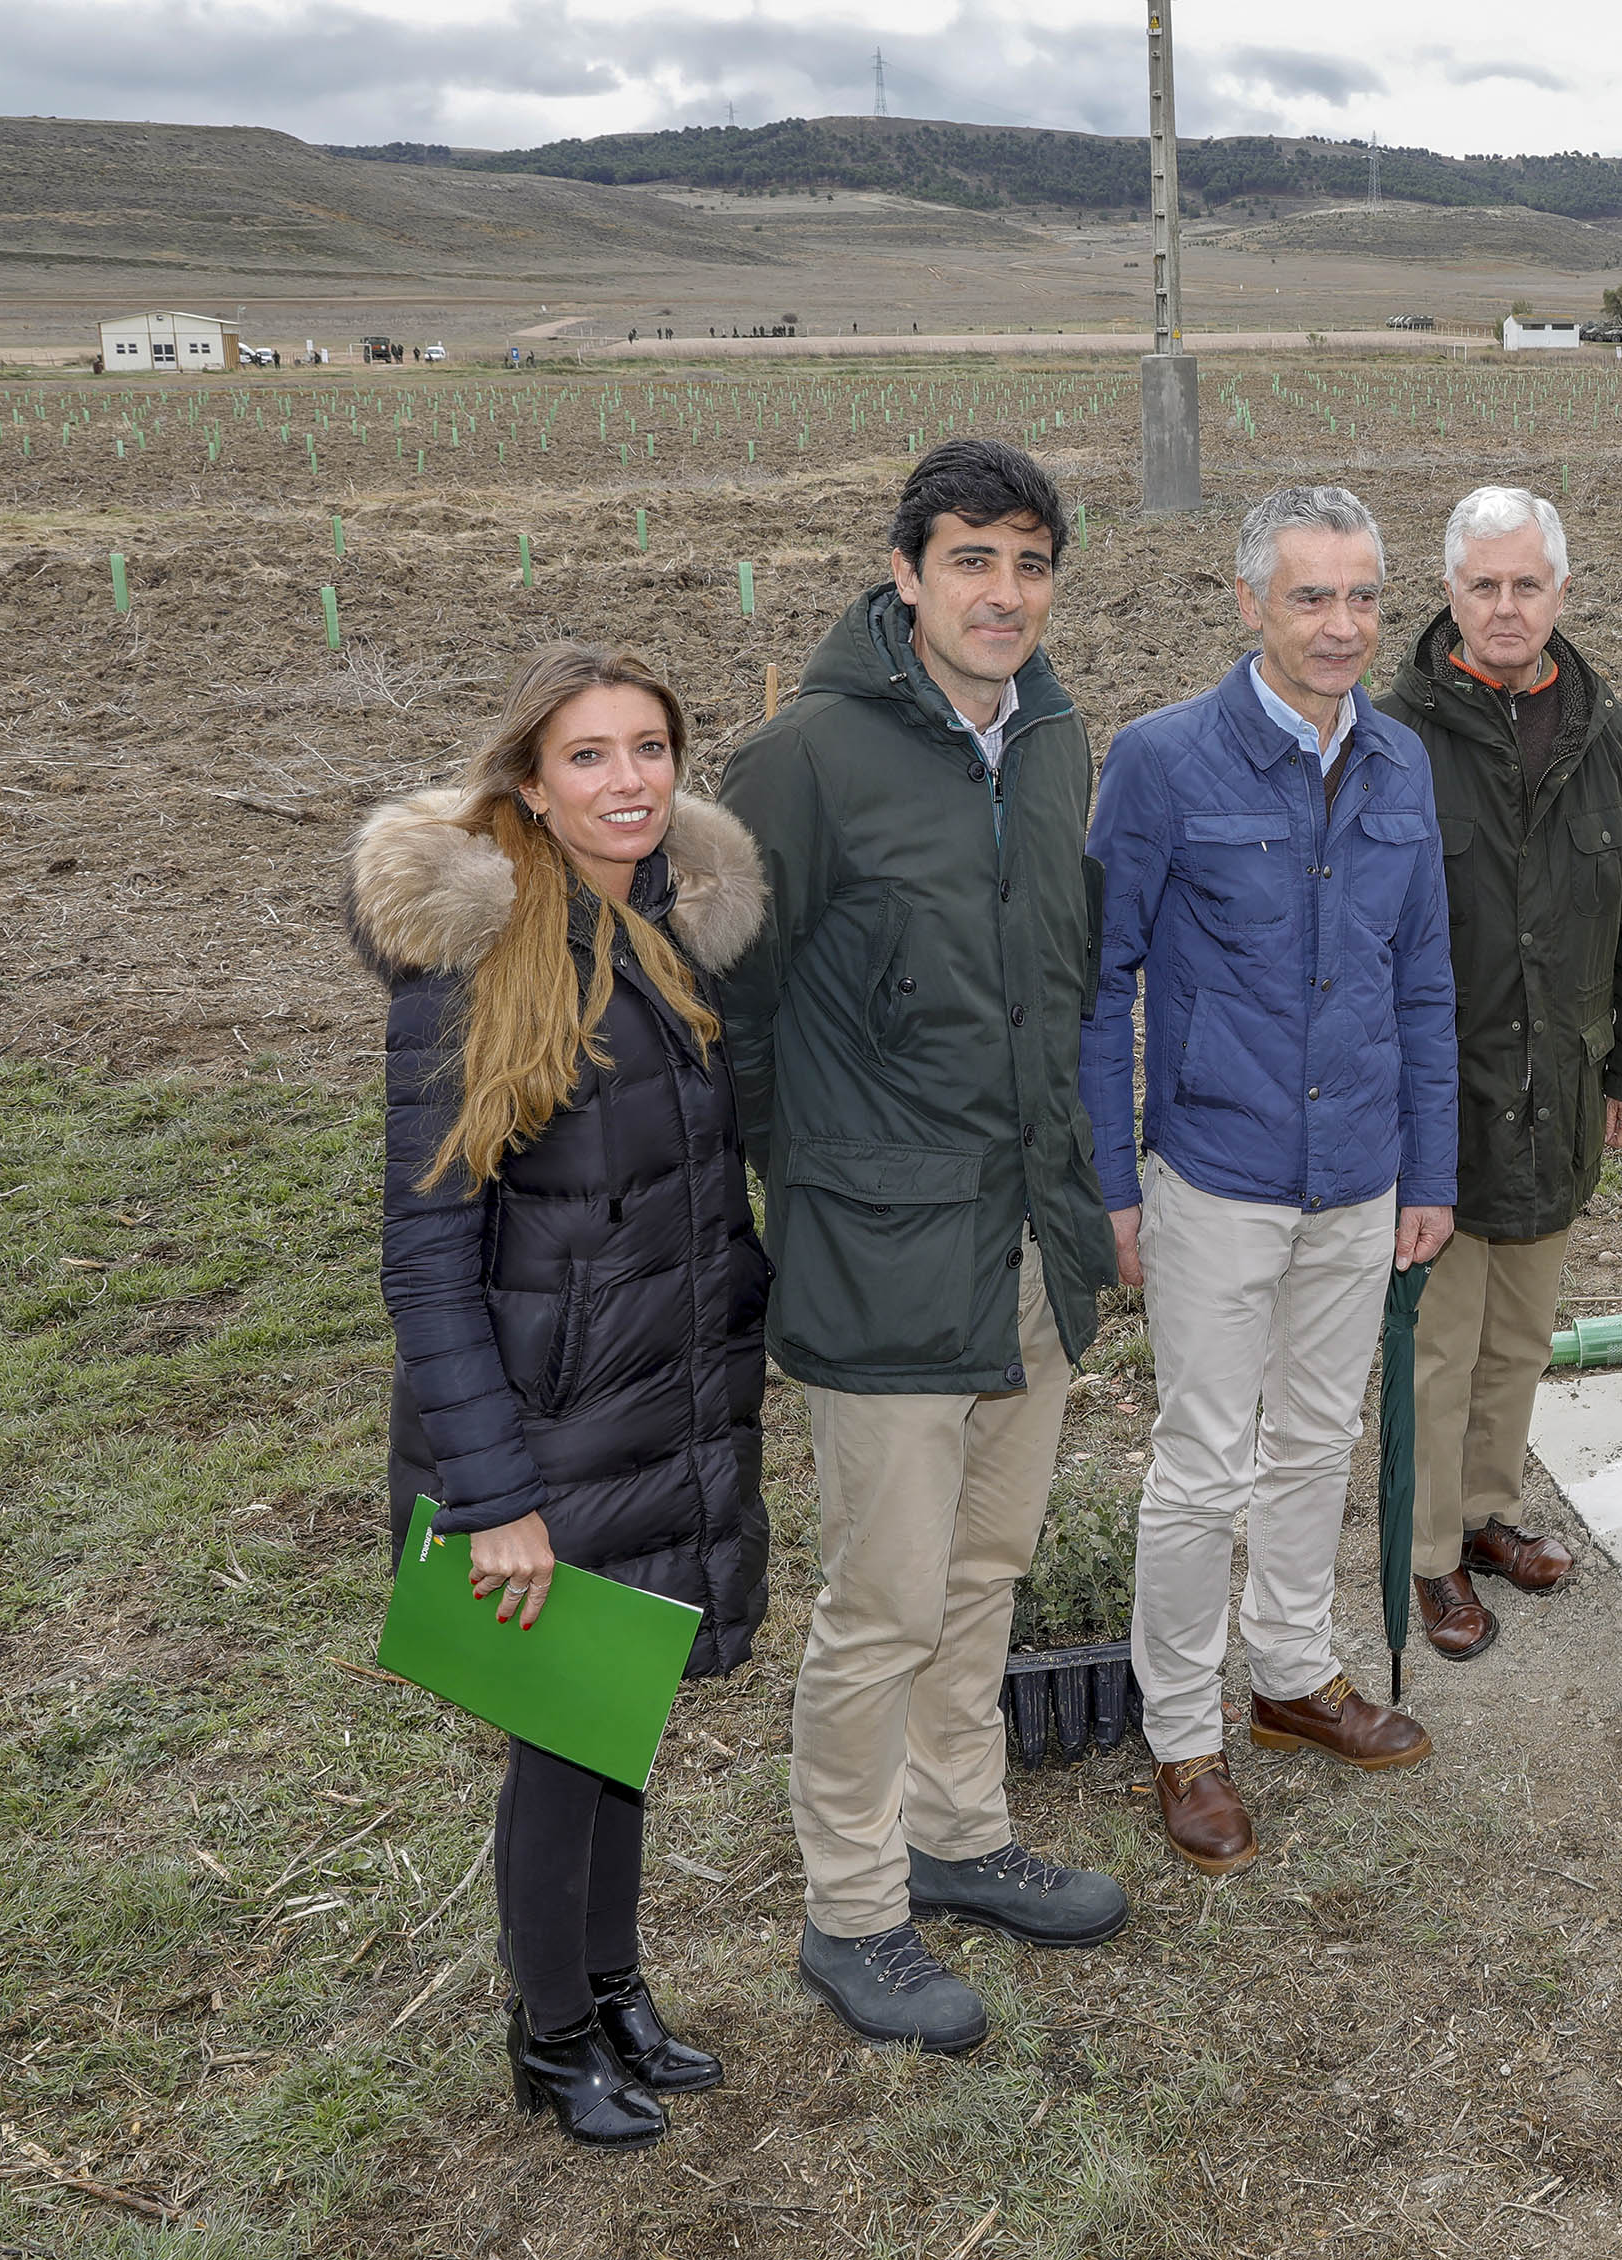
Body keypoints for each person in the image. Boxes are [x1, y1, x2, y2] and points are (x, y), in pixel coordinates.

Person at [716, 440, 1129, 2057]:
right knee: (880, 1602)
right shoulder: (806, 760)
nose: (1003, 594)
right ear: (905, 573)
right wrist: (808, 1194)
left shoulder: (1052, 745)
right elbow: (732, 1013)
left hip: (1026, 1242)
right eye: (972, 560)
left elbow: (1061, 992)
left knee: (985, 1570)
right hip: (884, 1253)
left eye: (1030, 564)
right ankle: (851, 1911)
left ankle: (961, 1835)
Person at [357, 643, 770, 2148]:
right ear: (528, 779)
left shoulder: (665, 933)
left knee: (623, 1715)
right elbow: (426, 1259)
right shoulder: (474, 965)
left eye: (649, 749)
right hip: (541, 1435)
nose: (627, 782)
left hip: (656, 1411)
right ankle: (548, 2033)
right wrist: (493, 1495)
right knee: (560, 1740)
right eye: (588, 756)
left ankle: (613, 1986)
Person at [1085, 485, 1459, 1877]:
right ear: (1249, 603)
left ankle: (1293, 1675)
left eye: (1363, 597)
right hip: (1219, 1174)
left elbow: (1423, 976)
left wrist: (1430, 1161)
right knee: (1198, 1465)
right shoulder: (1163, 761)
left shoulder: (1401, 767)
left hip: (1359, 1175)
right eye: (1310, 598)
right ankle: (1182, 1734)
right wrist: (1109, 1179)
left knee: (1313, 1437)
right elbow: (1097, 979)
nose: (1341, 626)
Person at [1373, 487, 1622, 1661]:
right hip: (1439, 1104)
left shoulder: (1609, 736)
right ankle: (1429, 1556)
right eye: (1484, 586)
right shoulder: (1394, 740)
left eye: (1527, 585)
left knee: (1522, 1332)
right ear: (1449, 595)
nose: (1506, 607)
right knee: (1438, 1344)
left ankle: (1492, 1511)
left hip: (1561, 1086)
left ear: (1562, 592)